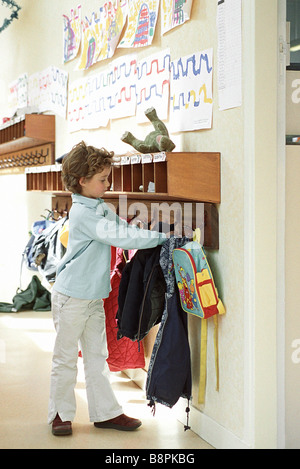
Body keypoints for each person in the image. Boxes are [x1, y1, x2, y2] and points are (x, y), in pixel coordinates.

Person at [48, 141, 167, 436]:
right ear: (82, 181)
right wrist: (161, 239)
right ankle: (59, 414)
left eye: (108, 177)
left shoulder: (100, 206)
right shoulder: (83, 214)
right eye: (102, 179)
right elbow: (118, 237)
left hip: (93, 298)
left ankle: (106, 413)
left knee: (96, 358)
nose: (107, 183)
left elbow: (126, 229)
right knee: (65, 359)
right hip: (71, 298)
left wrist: (157, 234)